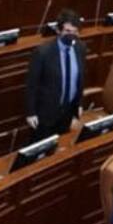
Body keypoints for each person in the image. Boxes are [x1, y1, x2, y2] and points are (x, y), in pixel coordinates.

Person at [24, 9, 87, 143]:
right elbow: (32, 85)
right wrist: (31, 113)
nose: (71, 35)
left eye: (75, 32)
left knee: (61, 146)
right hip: (46, 113)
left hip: (68, 112)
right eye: (67, 31)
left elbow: (79, 80)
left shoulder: (80, 48)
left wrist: (79, 103)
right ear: (58, 31)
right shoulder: (42, 52)